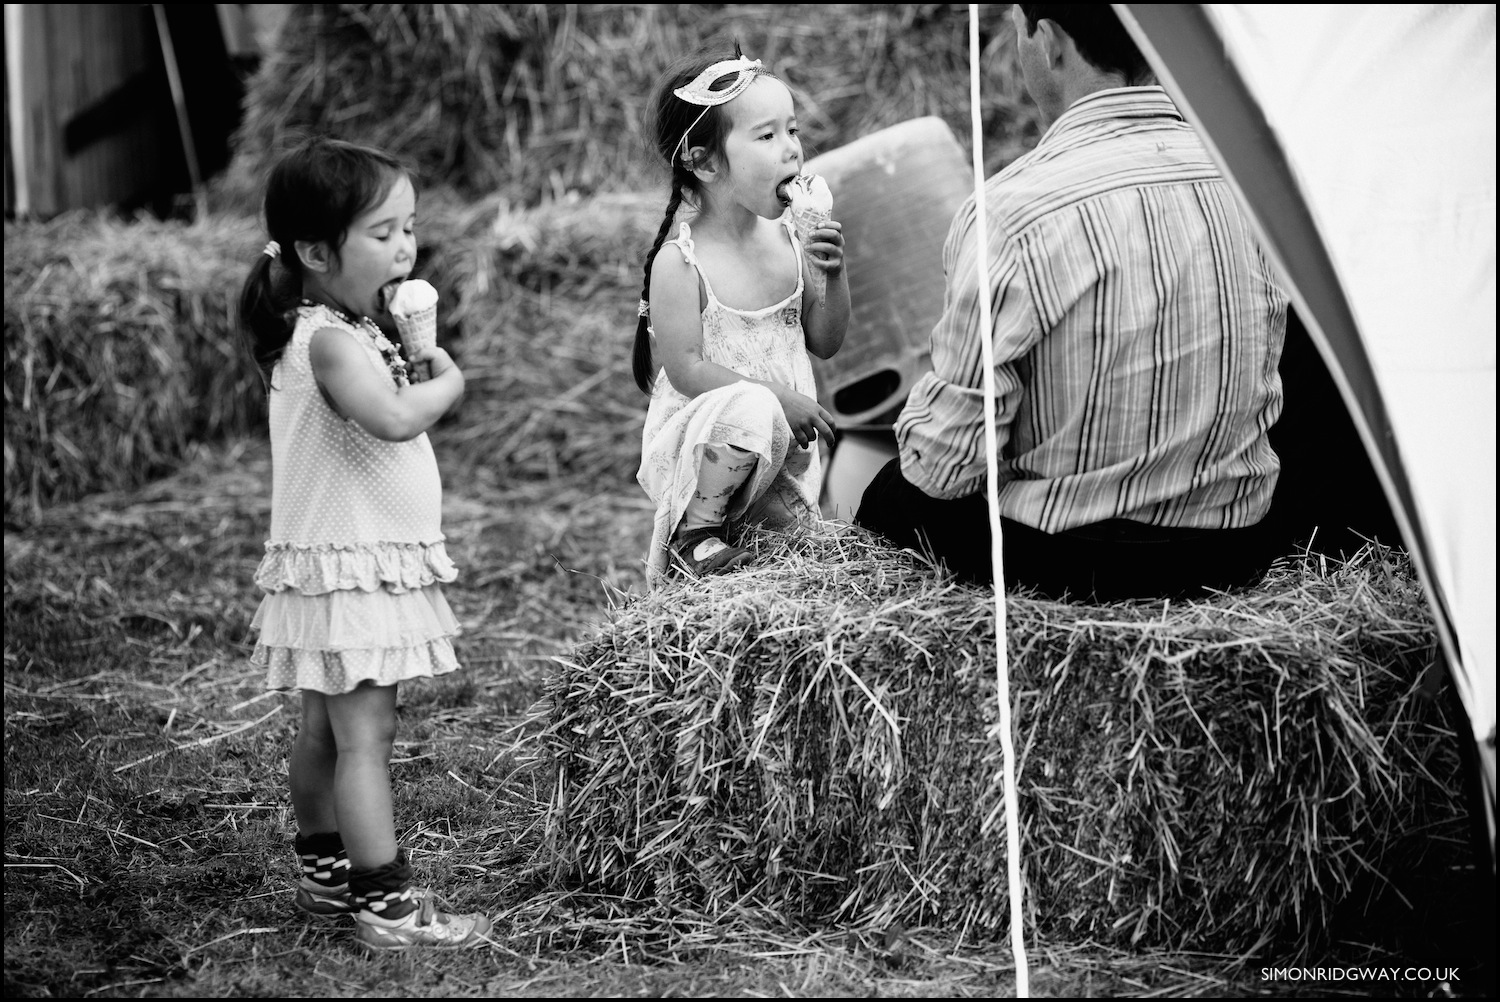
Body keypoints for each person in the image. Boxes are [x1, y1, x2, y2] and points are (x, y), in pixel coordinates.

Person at [856, 4, 1291, 601]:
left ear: (1050, 40)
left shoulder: (1014, 212)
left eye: (1016, 29)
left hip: (1077, 560)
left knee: (888, 497)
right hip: (1234, 547)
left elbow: (945, 465)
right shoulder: (1255, 182)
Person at [238, 136, 491, 950]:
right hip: (354, 567)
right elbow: (390, 420)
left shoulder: (333, 325)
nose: (405, 248)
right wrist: (445, 382)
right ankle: (386, 906)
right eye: (382, 233)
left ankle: (326, 880)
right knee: (365, 738)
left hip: (335, 561)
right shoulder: (332, 340)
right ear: (317, 251)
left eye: (409, 228)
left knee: (325, 731)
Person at [633, 47, 851, 582]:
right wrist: (774, 396)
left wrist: (833, 274)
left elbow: (825, 341)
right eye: (766, 136)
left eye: (793, 131)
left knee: (784, 568)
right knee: (751, 406)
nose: (792, 151)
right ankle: (697, 536)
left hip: (783, 450)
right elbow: (686, 369)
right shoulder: (680, 263)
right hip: (711, 437)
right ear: (705, 162)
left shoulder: (790, 242)